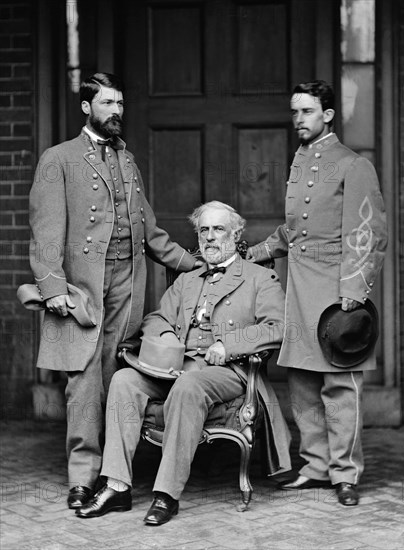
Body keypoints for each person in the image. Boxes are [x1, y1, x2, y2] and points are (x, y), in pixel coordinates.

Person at [28, 72, 200, 509]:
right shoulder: (59, 159)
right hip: (83, 287)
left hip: (128, 283)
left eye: (120, 104)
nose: (117, 111)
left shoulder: (128, 161)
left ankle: (114, 476)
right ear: (86, 107)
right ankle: (82, 477)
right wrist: (52, 288)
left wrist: (195, 264)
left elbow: (152, 233)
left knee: (117, 377)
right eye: (107, 104)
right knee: (84, 383)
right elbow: (45, 233)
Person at [75, 201, 291, 524]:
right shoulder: (187, 281)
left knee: (189, 386)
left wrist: (229, 344)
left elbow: (277, 327)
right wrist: (166, 341)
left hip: (228, 372)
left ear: (236, 233)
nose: (210, 237)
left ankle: (166, 495)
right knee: (123, 381)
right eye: (204, 230)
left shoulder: (259, 278)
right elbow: (157, 318)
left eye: (219, 229)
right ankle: (117, 485)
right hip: (177, 368)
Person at [246, 80, 388, 506]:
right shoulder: (301, 161)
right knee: (303, 383)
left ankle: (346, 473)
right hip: (301, 288)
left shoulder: (352, 165)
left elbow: (368, 231)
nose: (298, 120)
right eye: (294, 112)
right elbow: (295, 232)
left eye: (306, 112)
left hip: (335, 291)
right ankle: (315, 466)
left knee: (340, 385)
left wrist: (355, 290)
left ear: (327, 115)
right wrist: (256, 252)